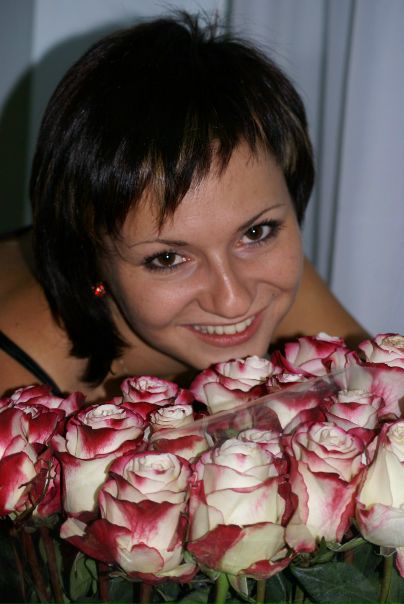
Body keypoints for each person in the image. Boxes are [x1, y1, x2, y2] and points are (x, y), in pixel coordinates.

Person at [0, 12, 366, 401]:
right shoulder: (14, 392)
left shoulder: (264, 274)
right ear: (88, 259)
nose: (233, 301)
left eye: (255, 232)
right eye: (168, 259)